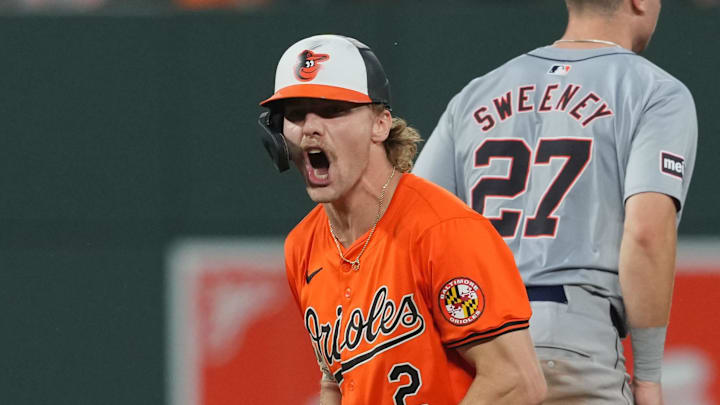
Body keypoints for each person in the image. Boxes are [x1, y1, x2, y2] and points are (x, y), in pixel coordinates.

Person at [413, 0, 697, 404]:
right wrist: (649, 376)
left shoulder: (476, 93)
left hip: (479, 342)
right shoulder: (656, 91)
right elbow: (648, 233)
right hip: (575, 336)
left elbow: (412, 228)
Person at [258, 34, 546, 404]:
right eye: (295, 114)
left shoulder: (443, 231)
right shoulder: (303, 246)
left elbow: (517, 381)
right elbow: (335, 379)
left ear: (380, 124)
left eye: (331, 110)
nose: (310, 127)